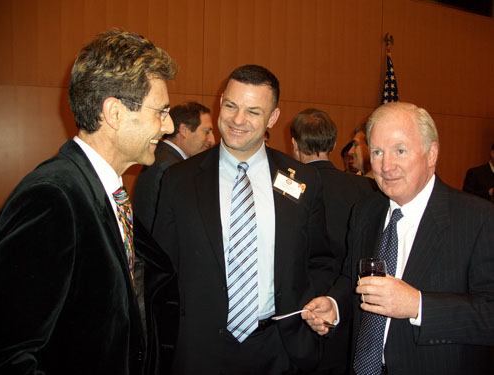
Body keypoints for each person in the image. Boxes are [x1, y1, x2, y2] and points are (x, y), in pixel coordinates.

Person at [0, 29, 177, 375]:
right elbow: (8, 355)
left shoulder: (103, 191)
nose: (168, 126)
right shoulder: (52, 198)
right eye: (161, 111)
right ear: (115, 113)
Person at [152, 65, 337, 374]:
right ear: (220, 100)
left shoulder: (303, 181)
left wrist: (315, 303)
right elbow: (161, 269)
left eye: (253, 111)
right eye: (231, 106)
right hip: (201, 351)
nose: (238, 120)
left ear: (273, 118)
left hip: (280, 347)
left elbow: (319, 258)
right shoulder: (178, 179)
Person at [302, 102, 494, 374]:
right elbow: (351, 279)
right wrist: (334, 305)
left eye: (400, 151)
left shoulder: (479, 219)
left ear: (431, 154)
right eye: (378, 152)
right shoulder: (366, 212)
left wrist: (418, 305)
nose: (386, 166)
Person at [290, 108, 377, 375]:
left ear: (294, 144)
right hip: (349, 311)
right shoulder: (365, 188)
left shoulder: (287, 186)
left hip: (298, 312)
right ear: (335, 144)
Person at [134, 101, 215, 232]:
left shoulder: (161, 156)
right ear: (184, 130)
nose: (212, 140)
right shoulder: (170, 167)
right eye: (207, 132)